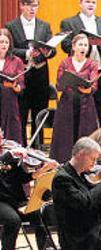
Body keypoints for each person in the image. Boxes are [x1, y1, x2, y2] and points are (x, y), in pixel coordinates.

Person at [0, 130, 55, 250]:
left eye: (1, 137)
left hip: (16, 199)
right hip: (1, 201)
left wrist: (44, 170)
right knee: (13, 220)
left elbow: (23, 178)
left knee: (42, 216)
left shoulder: (11, 156)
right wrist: (6, 156)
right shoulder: (7, 155)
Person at [5, 0, 55, 146]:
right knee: (20, 114)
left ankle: (37, 150)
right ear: (21, 5)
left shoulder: (44, 26)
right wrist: (27, 53)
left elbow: (52, 50)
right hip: (20, 76)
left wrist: (48, 51)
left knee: (39, 114)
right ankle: (20, 150)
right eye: (29, 5)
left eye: (35, 5)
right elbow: (9, 50)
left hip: (40, 77)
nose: (33, 9)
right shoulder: (11, 26)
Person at [60, 0, 101, 126]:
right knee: (78, 105)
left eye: (93, 2)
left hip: (99, 70)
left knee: (98, 103)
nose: (91, 4)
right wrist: (83, 45)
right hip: (79, 70)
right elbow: (65, 45)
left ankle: (97, 140)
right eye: (87, 2)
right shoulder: (69, 22)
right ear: (80, 4)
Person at [50, 33, 101, 164]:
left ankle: (85, 164)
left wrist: (88, 89)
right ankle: (63, 164)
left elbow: (94, 85)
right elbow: (59, 85)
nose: (83, 48)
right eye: (80, 44)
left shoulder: (92, 64)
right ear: (73, 46)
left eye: (86, 45)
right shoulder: (65, 63)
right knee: (65, 137)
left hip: (86, 105)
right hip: (67, 104)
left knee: (85, 136)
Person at [0, 29, 26, 144]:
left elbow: (21, 85)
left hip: (9, 102)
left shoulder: (16, 61)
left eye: (6, 42)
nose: (3, 45)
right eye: (1, 42)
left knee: (11, 133)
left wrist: (15, 85)